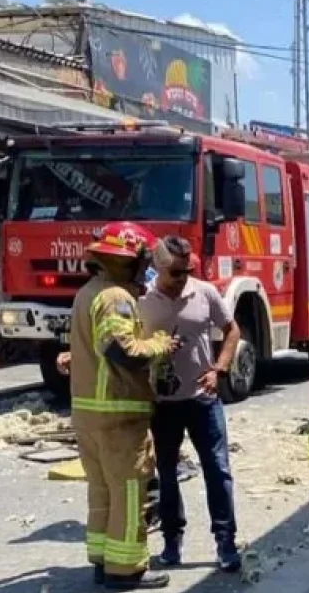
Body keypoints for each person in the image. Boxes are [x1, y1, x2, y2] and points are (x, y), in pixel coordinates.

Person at [68, 222, 176, 590]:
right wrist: (160, 345)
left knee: (102, 492)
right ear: (126, 260)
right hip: (118, 415)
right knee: (130, 494)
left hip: (89, 415)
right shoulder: (116, 297)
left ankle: (102, 561)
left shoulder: (87, 292)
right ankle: (126, 570)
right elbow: (121, 350)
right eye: (144, 260)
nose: (147, 268)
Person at [140, 238, 242, 572]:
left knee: (218, 469)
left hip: (203, 400)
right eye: (175, 272)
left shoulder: (205, 292)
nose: (183, 277)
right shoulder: (141, 300)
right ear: (158, 267)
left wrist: (220, 370)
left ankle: (225, 542)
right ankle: (172, 543)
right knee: (166, 474)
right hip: (163, 403)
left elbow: (231, 330)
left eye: (188, 270)